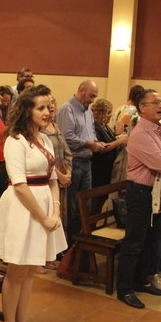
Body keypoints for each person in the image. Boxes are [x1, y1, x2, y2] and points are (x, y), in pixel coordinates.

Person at [0, 89, 67, 322]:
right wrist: (43, 217)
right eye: (40, 108)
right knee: (16, 272)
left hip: (44, 206)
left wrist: (55, 212)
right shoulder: (15, 140)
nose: (47, 112)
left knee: (30, 271)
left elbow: (53, 180)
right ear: (26, 110)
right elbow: (20, 185)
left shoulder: (44, 138)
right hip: (23, 208)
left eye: (49, 107)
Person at [116, 90, 161, 309]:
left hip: (158, 193)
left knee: (151, 240)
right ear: (142, 107)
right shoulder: (141, 133)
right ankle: (125, 289)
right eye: (156, 102)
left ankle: (141, 279)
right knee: (134, 243)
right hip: (141, 193)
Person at [56, 80, 106, 241]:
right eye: (91, 96)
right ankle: (69, 242)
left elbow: (90, 133)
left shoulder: (88, 111)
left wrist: (97, 142)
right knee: (72, 206)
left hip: (87, 162)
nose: (93, 100)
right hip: (74, 162)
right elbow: (67, 137)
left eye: (95, 96)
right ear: (81, 91)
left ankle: (80, 241)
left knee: (85, 205)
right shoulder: (67, 109)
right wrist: (89, 144)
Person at [39, 88, 72, 253]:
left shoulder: (56, 127)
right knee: (49, 212)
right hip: (49, 177)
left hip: (62, 176)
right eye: (45, 104)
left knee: (61, 213)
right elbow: (46, 159)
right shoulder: (40, 130)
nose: (50, 107)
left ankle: (58, 249)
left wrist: (68, 172)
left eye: (51, 103)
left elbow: (67, 152)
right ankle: (47, 251)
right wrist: (59, 176)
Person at [91, 98, 128, 188]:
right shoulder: (94, 128)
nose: (111, 115)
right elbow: (102, 147)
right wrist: (119, 141)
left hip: (108, 168)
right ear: (100, 113)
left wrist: (118, 137)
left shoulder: (105, 127)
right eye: (108, 112)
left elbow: (110, 140)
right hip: (99, 169)